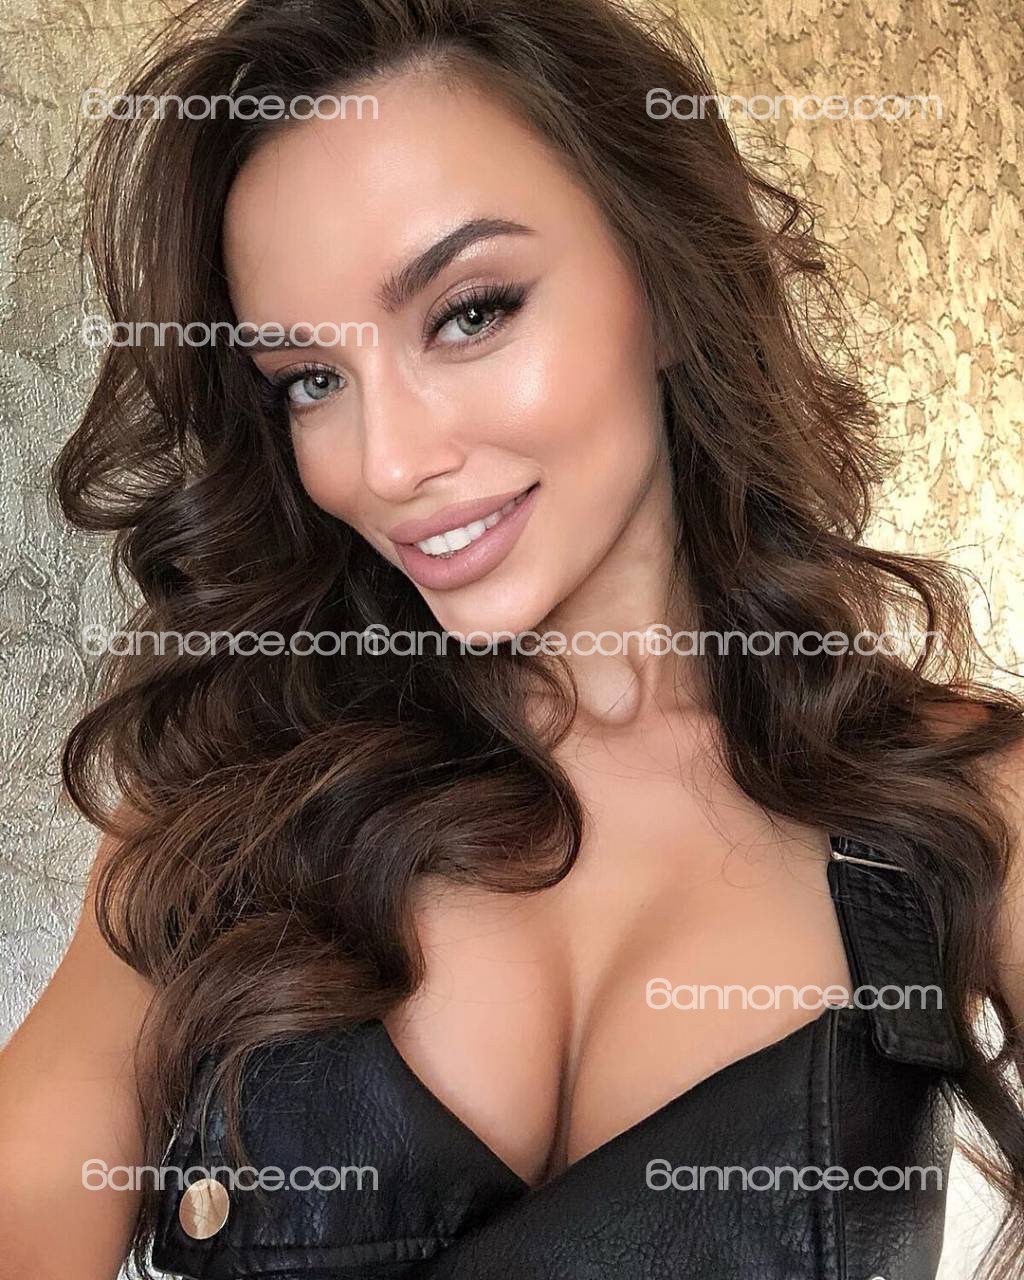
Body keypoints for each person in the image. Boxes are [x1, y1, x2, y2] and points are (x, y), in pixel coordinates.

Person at [2, 0, 1023, 1276]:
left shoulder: (966, 802)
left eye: (470, 311)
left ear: (667, 283)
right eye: (310, 379)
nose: (386, 462)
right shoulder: (216, 796)